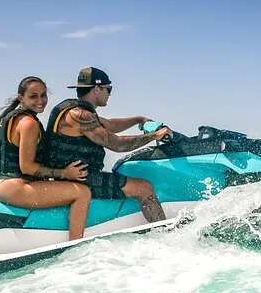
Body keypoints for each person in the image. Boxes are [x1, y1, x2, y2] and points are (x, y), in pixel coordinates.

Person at [41, 67, 171, 223]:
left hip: (79, 175)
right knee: (143, 187)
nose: (109, 94)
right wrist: (155, 135)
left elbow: (110, 124)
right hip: (78, 177)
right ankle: (164, 231)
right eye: (108, 89)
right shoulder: (80, 115)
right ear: (96, 89)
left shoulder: (76, 110)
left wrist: (140, 119)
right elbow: (117, 144)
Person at [0, 76, 92, 240]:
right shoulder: (29, 123)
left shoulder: (12, 117)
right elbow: (27, 167)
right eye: (33, 96)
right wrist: (64, 173)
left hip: (2, 185)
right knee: (82, 192)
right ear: (21, 98)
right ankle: (75, 245)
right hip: (16, 188)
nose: (40, 101)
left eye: (43, 95)